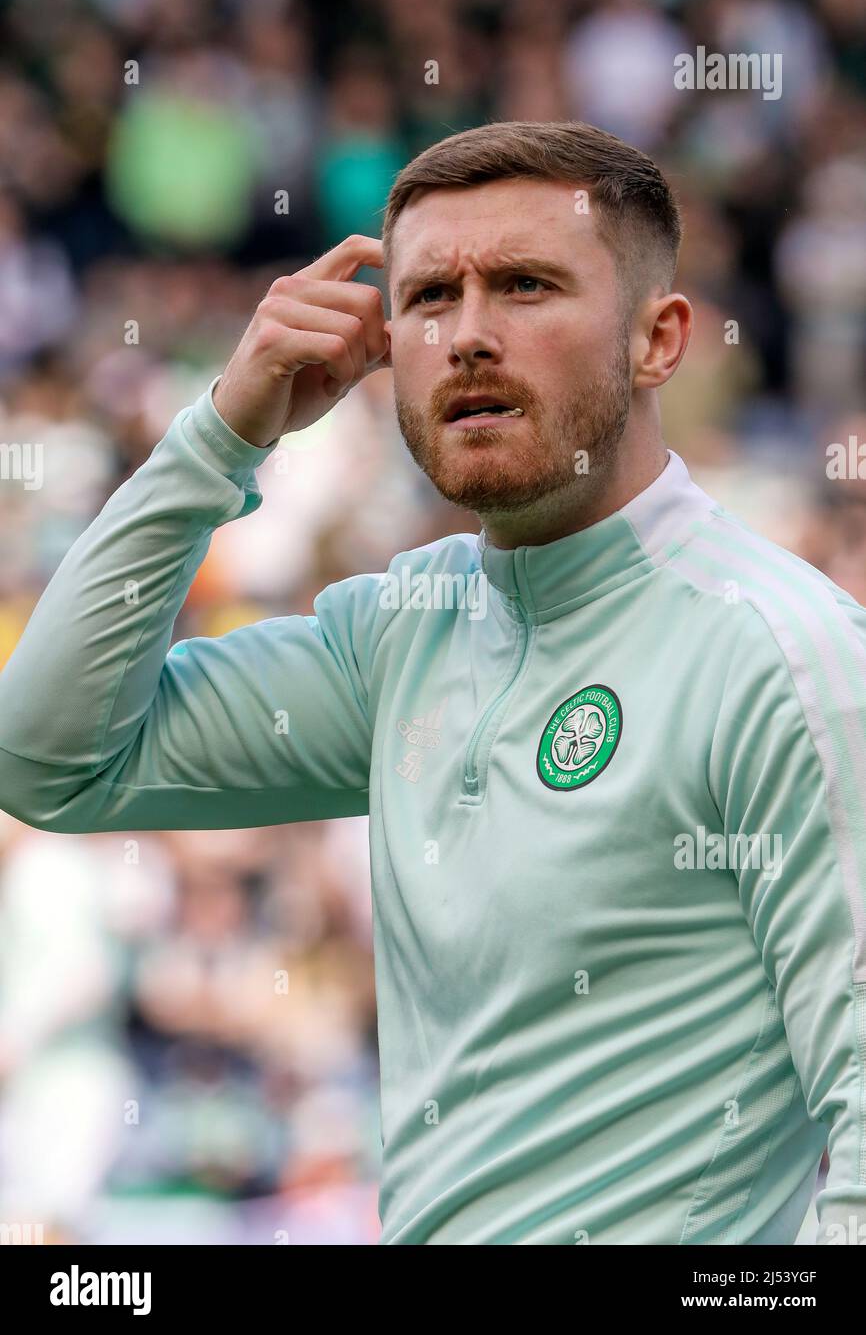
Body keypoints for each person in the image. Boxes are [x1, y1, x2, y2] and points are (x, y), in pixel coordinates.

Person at [0, 120, 864, 1246]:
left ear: (656, 340)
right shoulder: (397, 632)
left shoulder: (780, 653)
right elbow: (47, 758)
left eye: (522, 285)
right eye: (427, 299)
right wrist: (219, 437)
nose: (466, 336)